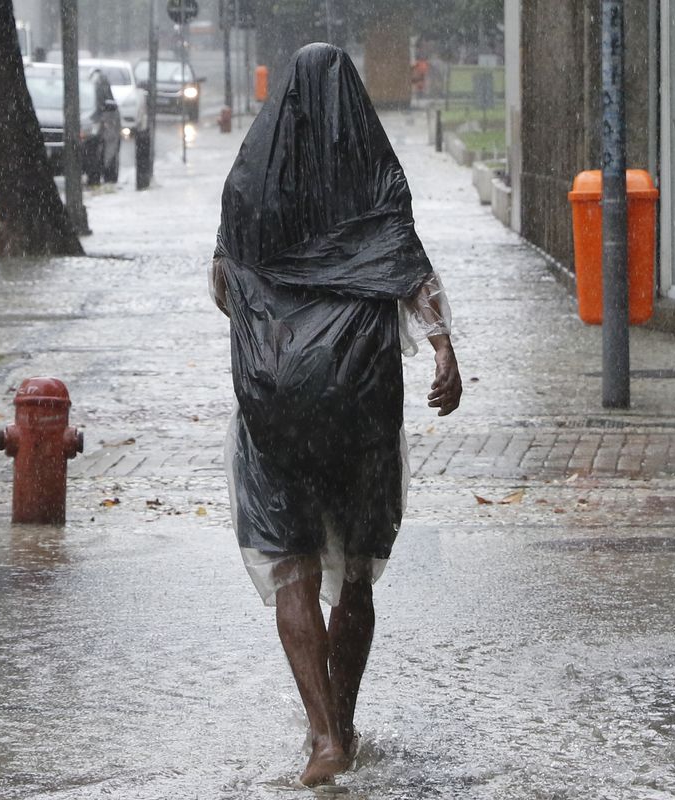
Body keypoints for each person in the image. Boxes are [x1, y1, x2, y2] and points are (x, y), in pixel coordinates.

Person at [211, 43, 461, 788]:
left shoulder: (251, 184)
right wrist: (445, 351)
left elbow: (225, 286)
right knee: (355, 573)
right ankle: (345, 718)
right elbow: (410, 271)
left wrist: (283, 320)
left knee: (291, 566)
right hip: (360, 402)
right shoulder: (374, 175)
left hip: (278, 406)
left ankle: (324, 739)